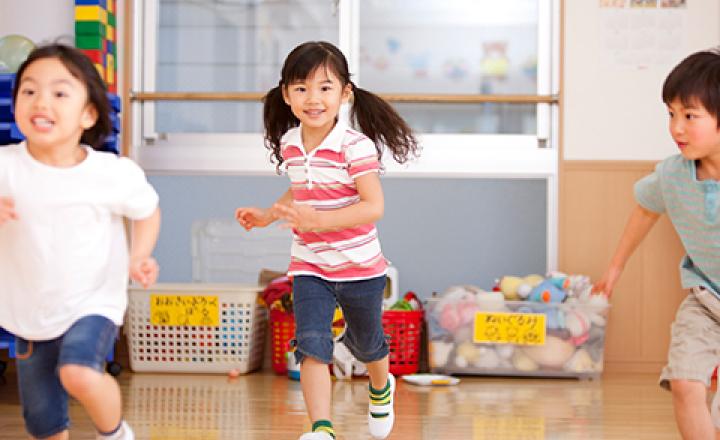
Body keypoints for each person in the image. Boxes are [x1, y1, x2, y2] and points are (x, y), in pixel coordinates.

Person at [236, 41, 419, 440]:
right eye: (301, 88)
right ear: (286, 95)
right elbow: (300, 191)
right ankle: (321, 428)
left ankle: (380, 387)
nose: (313, 99)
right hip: (310, 265)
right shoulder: (290, 144)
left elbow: (373, 207)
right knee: (311, 344)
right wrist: (268, 216)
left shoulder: (356, 147)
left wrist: (318, 220)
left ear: (344, 93)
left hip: (360, 266)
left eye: (324, 87)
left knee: (370, 344)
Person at [0, 44, 161, 440]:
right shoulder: (5, 167)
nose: (41, 102)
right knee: (43, 423)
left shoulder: (110, 173)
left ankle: (114, 433)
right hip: (30, 310)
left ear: (88, 114)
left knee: (79, 372)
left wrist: (139, 255)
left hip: (94, 300)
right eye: (29, 91)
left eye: (59, 93)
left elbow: (147, 211)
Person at [594, 48, 720, 439]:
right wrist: (615, 269)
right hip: (705, 299)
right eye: (671, 114)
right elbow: (645, 210)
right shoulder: (672, 175)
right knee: (684, 383)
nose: (676, 128)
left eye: (690, 116)